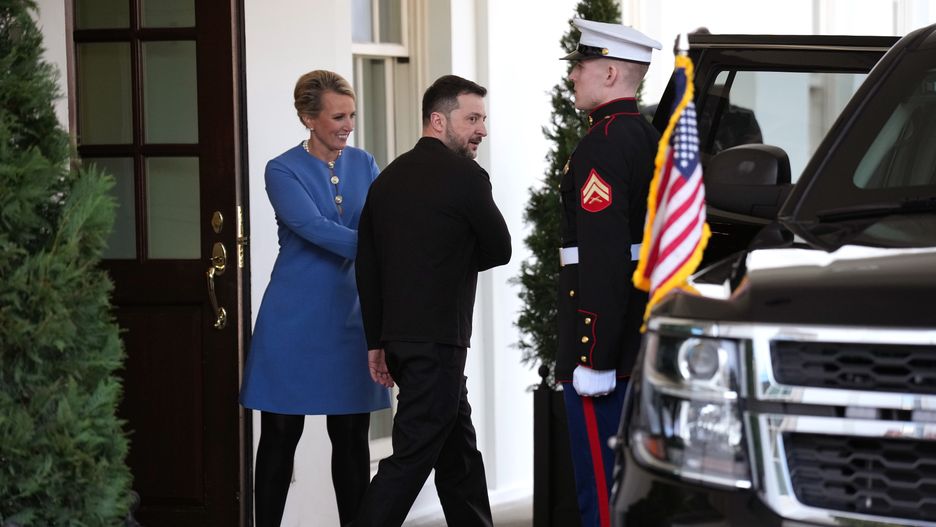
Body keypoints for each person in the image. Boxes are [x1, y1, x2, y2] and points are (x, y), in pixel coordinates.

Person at [352, 74, 512, 527]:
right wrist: (453, 261)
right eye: (472, 119)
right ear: (438, 120)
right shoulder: (467, 177)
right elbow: (500, 248)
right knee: (411, 457)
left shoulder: (386, 180)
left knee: (458, 452)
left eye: (483, 119)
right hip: (439, 342)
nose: (482, 130)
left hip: (400, 341)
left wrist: (376, 341)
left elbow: (368, 267)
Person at [239, 70, 392, 527]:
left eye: (352, 115)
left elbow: (384, 221)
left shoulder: (364, 163)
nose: (348, 125)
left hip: (352, 319)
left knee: (351, 435)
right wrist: (382, 250)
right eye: (338, 116)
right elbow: (312, 228)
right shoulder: (281, 169)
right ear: (309, 118)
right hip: (293, 319)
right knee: (280, 432)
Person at [556, 19, 662, 527]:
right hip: (637, 336)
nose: (572, 75)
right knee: (632, 487)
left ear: (611, 73)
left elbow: (602, 255)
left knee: (601, 489)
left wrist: (592, 353)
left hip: (607, 352)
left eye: (581, 66)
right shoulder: (646, 135)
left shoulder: (603, 143)